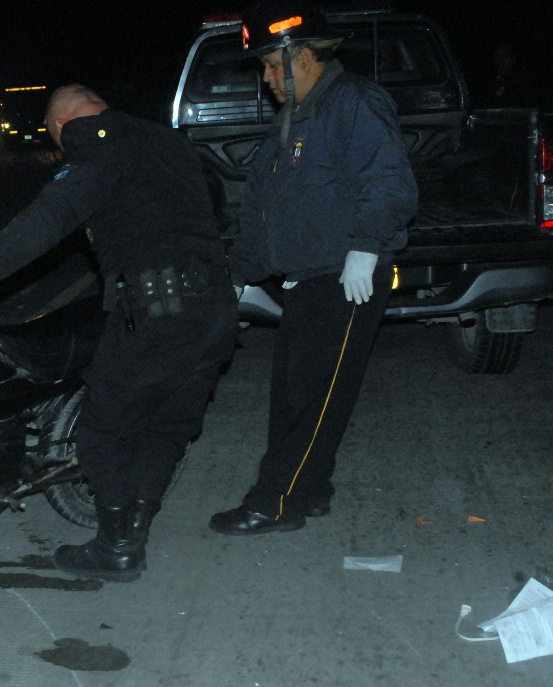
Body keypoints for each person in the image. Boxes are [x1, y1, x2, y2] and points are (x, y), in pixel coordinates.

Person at [0, 84, 237, 580]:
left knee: (102, 430)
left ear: (60, 126)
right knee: (165, 427)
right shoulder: (170, 143)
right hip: (215, 312)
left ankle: (116, 547)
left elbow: (52, 215)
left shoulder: (96, 141)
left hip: (158, 312)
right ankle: (133, 531)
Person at [207, 0, 418, 535]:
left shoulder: (353, 102)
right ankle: (312, 490)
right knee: (299, 393)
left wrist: (367, 247)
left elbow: (390, 181)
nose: (267, 77)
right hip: (307, 280)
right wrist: (239, 271)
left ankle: (273, 503)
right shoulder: (294, 120)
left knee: (309, 399)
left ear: (304, 58)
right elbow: (263, 207)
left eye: (273, 65)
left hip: (345, 277)